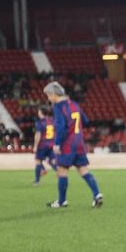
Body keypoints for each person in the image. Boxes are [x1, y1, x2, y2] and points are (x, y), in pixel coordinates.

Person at [43, 81, 103, 209]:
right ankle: (97, 194)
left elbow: (60, 127)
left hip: (67, 144)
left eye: (48, 95)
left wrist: (57, 144)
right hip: (79, 143)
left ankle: (62, 201)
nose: (48, 98)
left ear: (54, 94)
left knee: (62, 171)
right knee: (83, 169)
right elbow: (86, 121)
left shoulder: (58, 107)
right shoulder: (75, 104)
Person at [31, 106, 56, 186]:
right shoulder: (52, 121)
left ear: (41, 112)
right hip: (51, 144)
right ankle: (62, 176)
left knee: (38, 161)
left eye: (39, 111)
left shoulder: (39, 122)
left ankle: (37, 181)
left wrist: (35, 146)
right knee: (52, 161)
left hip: (42, 144)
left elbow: (38, 135)